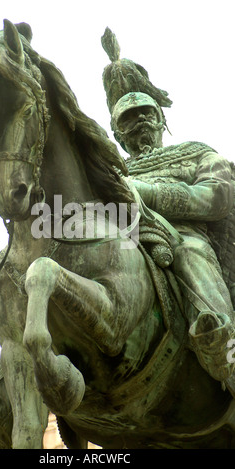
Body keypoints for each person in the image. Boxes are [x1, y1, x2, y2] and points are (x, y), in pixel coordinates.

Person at [110, 90, 235, 383]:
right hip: (126, 240)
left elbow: (217, 196)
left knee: (191, 255)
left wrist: (147, 193)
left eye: (147, 112)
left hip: (183, 236)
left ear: (161, 119)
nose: (140, 119)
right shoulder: (109, 171)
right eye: (128, 118)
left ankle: (220, 339)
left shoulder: (198, 153)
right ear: (118, 135)